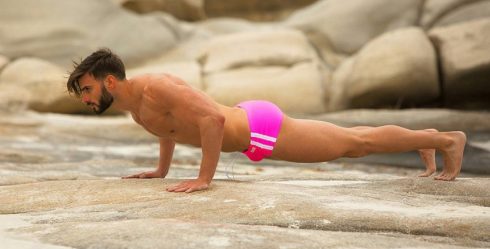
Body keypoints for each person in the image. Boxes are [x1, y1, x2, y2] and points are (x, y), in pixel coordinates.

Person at [67, 48, 466, 193]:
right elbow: (169, 129)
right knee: (353, 137)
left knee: (353, 145)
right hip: (250, 124)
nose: (85, 98)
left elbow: (211, 121)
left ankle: (448, 141)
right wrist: (160, 171)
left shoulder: (156, 88)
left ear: (110, 81)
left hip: (260, 129)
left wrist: (205, 179)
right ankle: (424, 137)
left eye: (86, 89)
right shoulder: (136, 106)